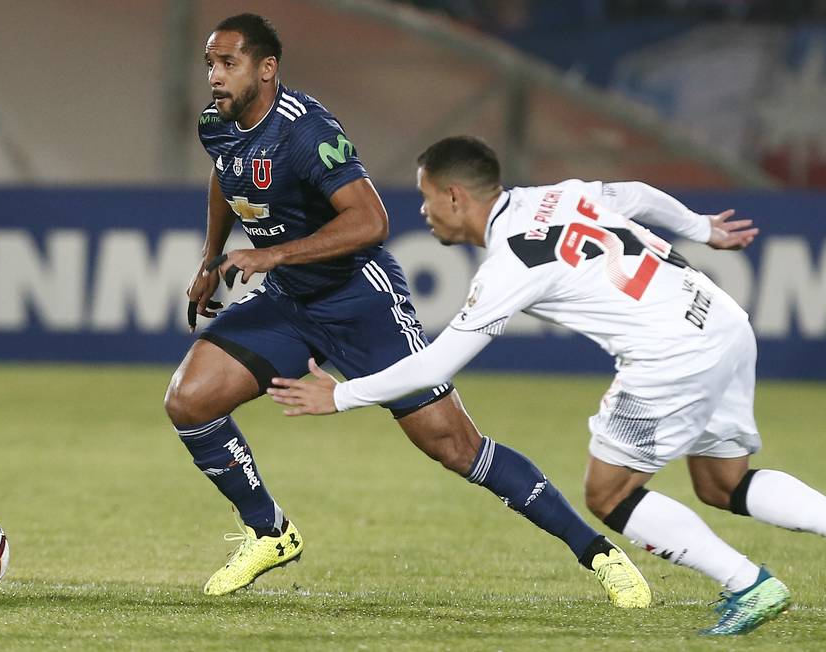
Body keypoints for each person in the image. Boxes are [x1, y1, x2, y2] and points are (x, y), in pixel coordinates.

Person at [267, 135, 826, 635]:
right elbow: (635, 193)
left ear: (455, 198)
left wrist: (341, 395)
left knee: (607, 494)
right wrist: (700, 229)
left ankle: (748, 583)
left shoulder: (509, 264)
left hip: (671, 355)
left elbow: (437, 366)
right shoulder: (558, 196)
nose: (424, 211)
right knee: (721, 483)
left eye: (425, 197)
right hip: (721, 321)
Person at [164, 14, 650, 606]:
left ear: (267, 69)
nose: (215, 76)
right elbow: (227, 174)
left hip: (359, 299)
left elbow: (372, 222)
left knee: (455, 447)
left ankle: (596, 551)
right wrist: (211, 258)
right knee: (189, 401)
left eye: (228, 63)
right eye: (210, 63)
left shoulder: (307, 131)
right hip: (291, 299)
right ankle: (269, 531)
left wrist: (273, 253)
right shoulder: (217, 124)